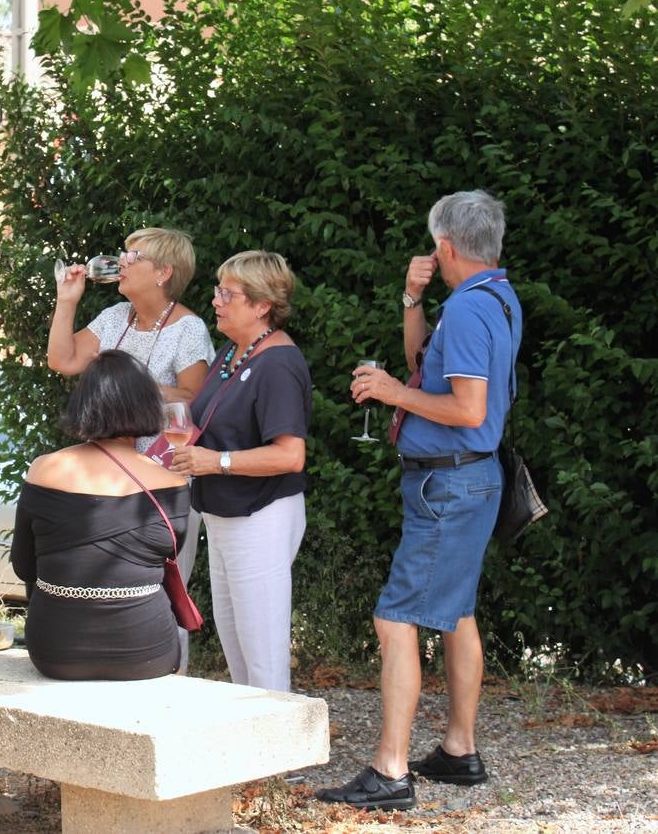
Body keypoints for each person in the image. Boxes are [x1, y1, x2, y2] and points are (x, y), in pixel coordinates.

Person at [317, 190, 521, 810]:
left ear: (446, 247)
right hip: (471, 479)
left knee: (396, 617)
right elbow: (422, 361)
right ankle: (459, 750)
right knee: (456, 612)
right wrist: (412, 299)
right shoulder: (493, 298)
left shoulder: (466, 312)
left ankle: (391, 770)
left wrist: (388, 393)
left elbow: (467, 408)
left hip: (448, 484)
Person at [169, 250, 310, 693]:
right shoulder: (234, 351)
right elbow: (209, 425)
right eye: (217, 291)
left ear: (261, 304)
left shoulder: (278, 363)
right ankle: (257, 754)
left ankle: (281, 757)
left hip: (260, 515)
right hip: (226, 515)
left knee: (263, 652)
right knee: (236, 644)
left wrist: (217, 462)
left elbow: (290, 455)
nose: (216, 301)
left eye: (227, 294)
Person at [47, 227, 214, 581]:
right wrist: (67, 300)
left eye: (134, 257)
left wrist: (131, 387)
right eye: (123, 254)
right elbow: (63, 360)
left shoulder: (188, 329)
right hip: (108, 474)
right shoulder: (114, 316)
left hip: (163, 476)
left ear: (163, 272)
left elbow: (194, 400)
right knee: (109, 582)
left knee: (164, 591)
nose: (122, 261)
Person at [12, 350, 189, 680]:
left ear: (85, 403)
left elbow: (24, 566)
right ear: (148, 406)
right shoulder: (172, 482)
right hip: (147, 650)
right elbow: (165, 564)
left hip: (57, 649)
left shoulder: (45, 469)